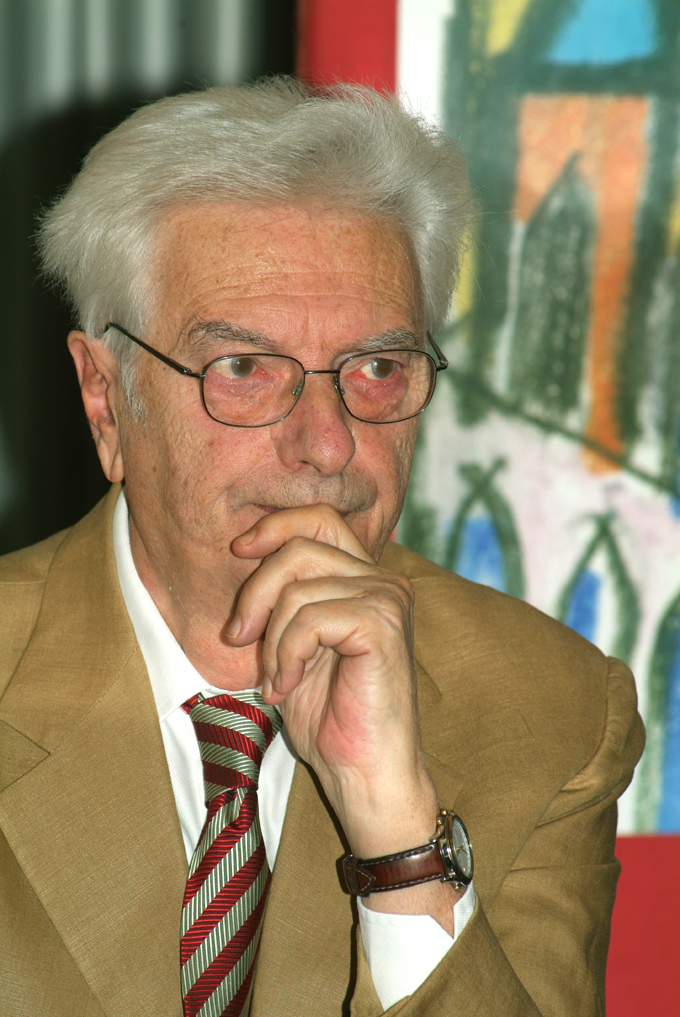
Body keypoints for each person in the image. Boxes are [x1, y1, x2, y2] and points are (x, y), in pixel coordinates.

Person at [0, 79, 643, 1017]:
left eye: (377, 367)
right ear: (106, 399)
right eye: (244, 368)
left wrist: (399, 834)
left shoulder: (551, 707)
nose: (328, 444)